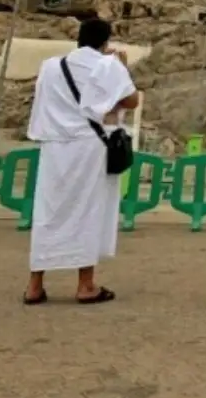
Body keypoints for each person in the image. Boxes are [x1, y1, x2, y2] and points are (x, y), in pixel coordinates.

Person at [23, 18, 138, 305]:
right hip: (89, 146)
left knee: (48, 212)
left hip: (54, 145)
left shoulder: (51, 66)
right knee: (87, 211)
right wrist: (122, 70)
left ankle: (35, 285)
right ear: (106, 41)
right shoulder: (107, 66)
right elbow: (131, 100)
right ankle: (85, 285)